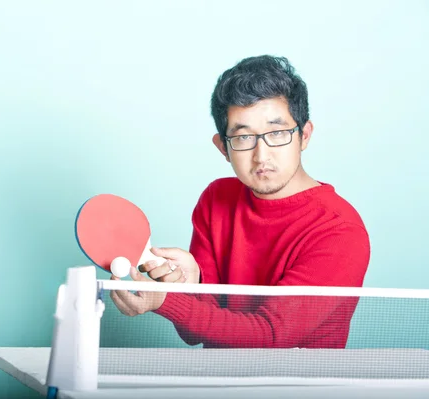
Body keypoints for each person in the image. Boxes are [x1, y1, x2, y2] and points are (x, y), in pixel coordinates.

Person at [109, 55, 371, 349]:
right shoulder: (216, 199)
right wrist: (190, 285)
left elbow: (269, 334)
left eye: (277, 133)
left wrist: (166, 302)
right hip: (217, 382)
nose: (262, 155)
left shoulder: (339, 229)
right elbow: (195, 334)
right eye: (243, 137)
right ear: (223, 147)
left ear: (304, 135)